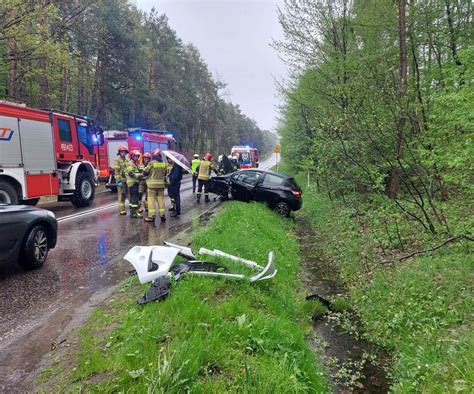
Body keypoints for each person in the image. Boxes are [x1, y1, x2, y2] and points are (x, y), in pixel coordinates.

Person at [143, 149, 167, 223]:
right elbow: (165, 173)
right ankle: (162, 215)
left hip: (152, 186)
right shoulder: (164, 164)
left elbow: (145, 172)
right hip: (161, 186)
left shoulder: (151, 163)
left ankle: (151, 216)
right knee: (161, 200)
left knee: (151, 200)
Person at [125, 150, 143, 218]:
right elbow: (131, 173)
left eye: (137, 156)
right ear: (132, 156)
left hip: (135, 183)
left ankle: (134, 211)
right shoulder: (130, 163)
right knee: (134, 198)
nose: (136, 157)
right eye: (135, 156)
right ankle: (134, 213)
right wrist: (139, 176)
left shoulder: (134, 163)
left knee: (134, 197)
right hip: (132, 183)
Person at [113, 145, 129, 216]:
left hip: (127, 181)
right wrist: (118, 181)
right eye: (122, 152)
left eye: (124, 152)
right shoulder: (117, 160)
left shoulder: (126, 160)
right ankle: (122, 210)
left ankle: (133, 208)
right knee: (121, 196)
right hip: (121, 181)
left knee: (129, 195)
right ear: (119, 152)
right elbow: (116, 172)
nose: (123, 153)